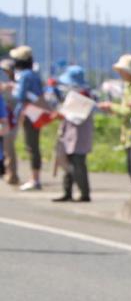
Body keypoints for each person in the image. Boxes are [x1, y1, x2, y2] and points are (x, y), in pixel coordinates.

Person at [97, 54, 131, 199]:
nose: (119, 73)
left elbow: (129, 110)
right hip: (128, 134)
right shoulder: (129, 86)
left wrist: (111, 107)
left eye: (122, 70)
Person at [50, 66, 95, 203]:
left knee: (78, 164)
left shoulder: (85, 95)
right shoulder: (72, 95)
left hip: (79, 136)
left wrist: (63, 113)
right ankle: (67, 191)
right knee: (67, 163)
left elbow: (78, 117)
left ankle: (84, 193)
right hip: (69, 134)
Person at [10, 46, 46, 191]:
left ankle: (34, 179)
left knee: (31, 146)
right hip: (35, 113)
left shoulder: (24, 76)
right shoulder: (33, 74)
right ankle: (34, 178)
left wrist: (12, 88)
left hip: (29, 114)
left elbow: (20, 96)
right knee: (33, 145)